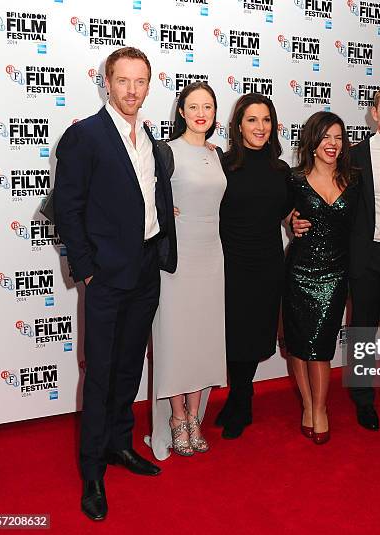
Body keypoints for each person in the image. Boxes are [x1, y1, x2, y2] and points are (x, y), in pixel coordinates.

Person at [54, 47, 177, 521]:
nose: (131, 90)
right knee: (101, 372)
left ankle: (119, 446)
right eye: (122, 80)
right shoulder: (84, 136)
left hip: (146, 269)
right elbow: (69, 207)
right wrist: (86, 268)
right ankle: (91, 472)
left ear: (149, 85)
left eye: (139, 81)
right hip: (105, 275)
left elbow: (149, 196)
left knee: (129, 368)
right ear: (107, 82)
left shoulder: (149, 138)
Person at [293, 83, 380, 434]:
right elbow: (319, 195)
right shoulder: (354, 157)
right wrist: (292, 217)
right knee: (363, 330)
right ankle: (364, 401)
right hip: (366, 255)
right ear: (374, 113)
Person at [147, 82, 227, 460]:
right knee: (175, 340)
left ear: (214, 113)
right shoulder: (167, 151)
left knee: (203, 339)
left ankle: (195, 415)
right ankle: (176, 416)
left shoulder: (218, 153)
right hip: (176, 261)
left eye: (207, 106)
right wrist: (167, 215)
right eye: (193, 106)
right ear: (181, 111)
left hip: (212, 257)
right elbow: (147, 194)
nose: (200, 113)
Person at [216, 93, 292, 440]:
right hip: (231, 263)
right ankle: (240, 395)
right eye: (252, 120)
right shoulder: (223, 164)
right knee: (234, 333)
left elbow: (289, 213)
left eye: (265, 120)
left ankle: (241, 397)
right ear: (238, 125)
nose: (260, 127)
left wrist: (299, 220)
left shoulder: (281, 170)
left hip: (268, 264)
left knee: (257, 332)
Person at [283, 112, 358, 445]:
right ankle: (309, 405)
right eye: (326, 137)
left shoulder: (354, 180)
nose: (333, 144)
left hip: (336, 274)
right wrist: (289, 221)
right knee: (299, 345)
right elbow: (281, 210)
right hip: (299, 271)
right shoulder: (295, 179)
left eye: (338, 137)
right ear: (313, 142)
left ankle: (322, 408)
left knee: (321, 347)